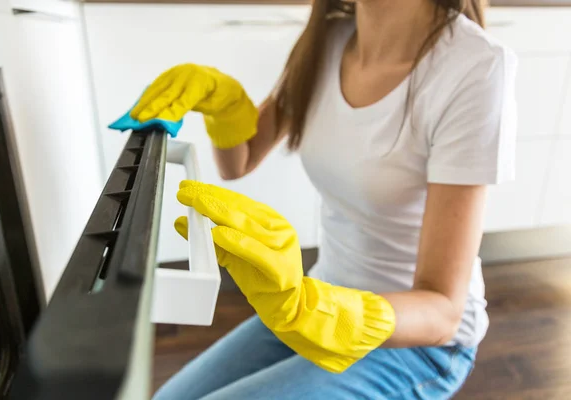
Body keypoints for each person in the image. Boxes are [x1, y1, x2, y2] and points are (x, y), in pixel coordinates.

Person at [129, 0, 517, 398]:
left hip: (419, 344)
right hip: (318, 300)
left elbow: (443, 312)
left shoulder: (475, 67)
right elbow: (240, 160)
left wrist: (314, 309)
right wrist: (224, 104)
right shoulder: (330, 39)